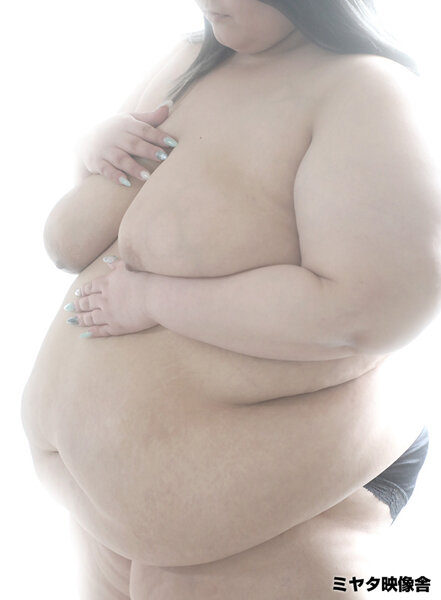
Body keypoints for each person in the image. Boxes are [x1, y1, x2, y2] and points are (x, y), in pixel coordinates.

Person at [21, 1, 440, 598]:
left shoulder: (367, 91)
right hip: (107, 523)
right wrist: (90, 148)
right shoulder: (189, 58)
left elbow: (365, 312)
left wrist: (153, 300)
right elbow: (74, 240)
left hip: (282, 524)